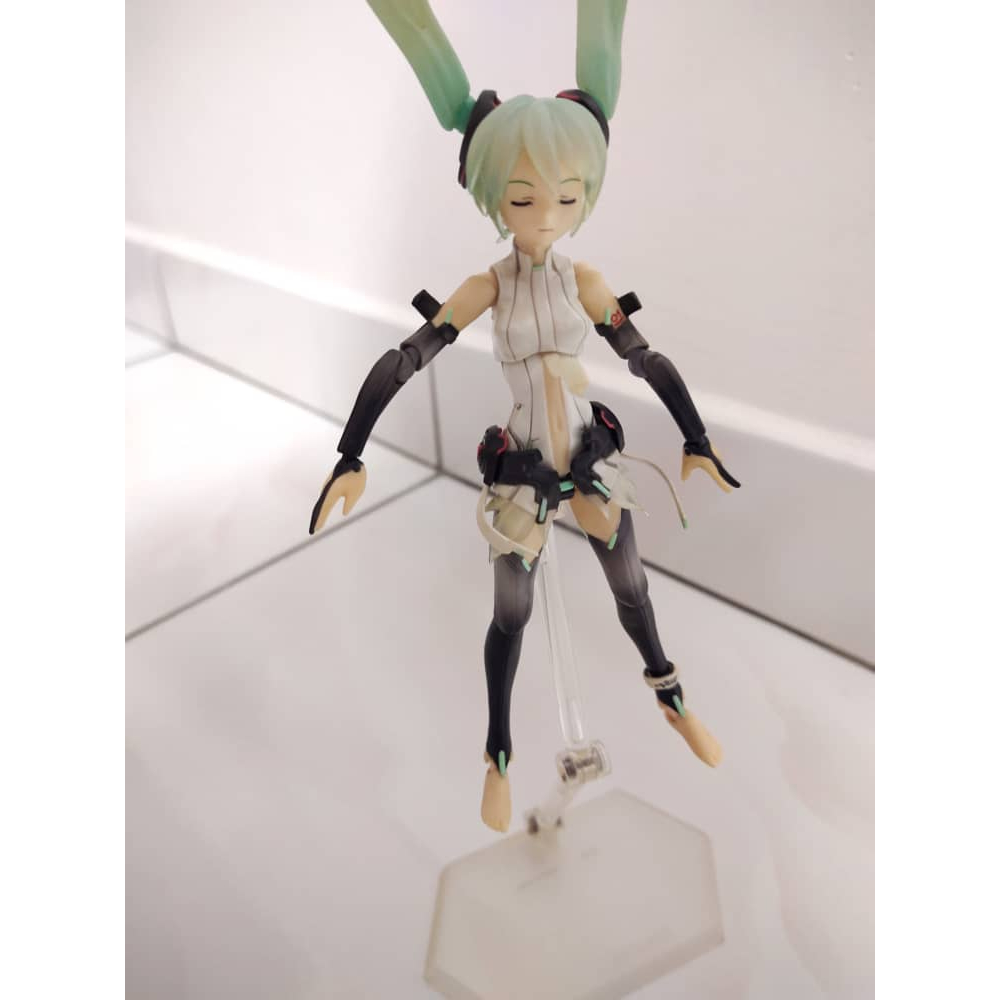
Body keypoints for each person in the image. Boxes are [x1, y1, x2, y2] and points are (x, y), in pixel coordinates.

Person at [310, 0, 740, 832]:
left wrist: (696, 436)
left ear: (586, 195)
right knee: (510, 612)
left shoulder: (586, 283)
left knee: (632, 586)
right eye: (523, 198)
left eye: (566, 197)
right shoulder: (488, 287)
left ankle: (673, 698)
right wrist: (351, 453)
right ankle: (498, 754)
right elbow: (405, 358)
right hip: (522, 471)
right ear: (493, 197)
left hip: (587, 456)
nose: (545, 215)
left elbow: (644, 356)